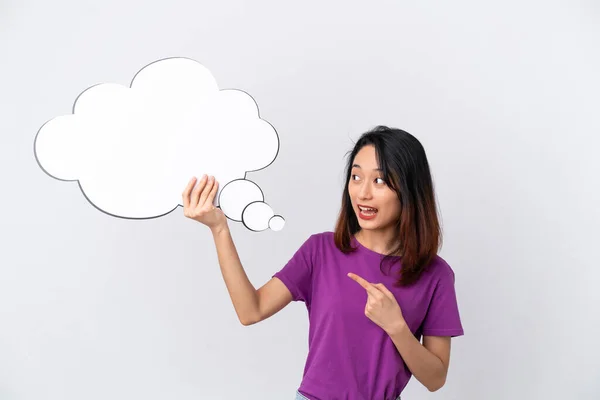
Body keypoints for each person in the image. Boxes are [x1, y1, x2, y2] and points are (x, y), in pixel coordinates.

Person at [181, 125, 464, 400]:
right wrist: (219, 229)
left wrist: (397, 327)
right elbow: (250, 311)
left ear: (410, 190)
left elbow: (435, 379)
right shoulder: (321, 251)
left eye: (379, 180)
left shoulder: (435, 275)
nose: (363, 193)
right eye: (356, 177)